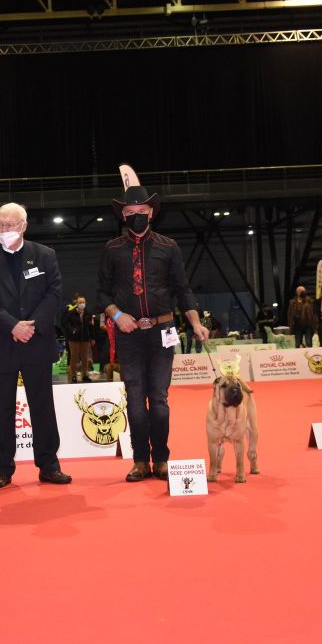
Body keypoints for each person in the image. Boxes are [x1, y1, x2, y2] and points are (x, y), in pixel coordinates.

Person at [97, 165, 209, 482]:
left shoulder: (168, 247)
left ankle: (161, 459)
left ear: (151, 212)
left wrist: (196, 323)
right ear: (123, 215)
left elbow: (183, 289)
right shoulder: (111, 249)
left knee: (159, 399)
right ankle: (140, 461)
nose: (137, 216)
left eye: (142, 211)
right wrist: (117, 315)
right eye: (131, 212)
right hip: (129, 335)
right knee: (135, 399)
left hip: (164, 331)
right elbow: (101, 293)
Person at [0, 203, 71, 489]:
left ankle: (49, 465)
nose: (4, 229)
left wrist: (31, 326)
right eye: (0, 224)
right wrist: (12, 325)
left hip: (37, 342)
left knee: (42, 407)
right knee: (1, 409)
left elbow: (54, 294)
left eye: (10, 225)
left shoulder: (45, 255)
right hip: (1, 343)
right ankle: (2, 468)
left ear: (24, 226)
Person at [62, 294, 94, 382]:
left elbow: (91, 326)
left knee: (85, 357)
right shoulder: (71, 312)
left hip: (85, 339)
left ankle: (85, 375)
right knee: (74, 358)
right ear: (76, 303)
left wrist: (92, 338)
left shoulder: (88, 313)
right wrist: (72, 330)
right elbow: (64, 323)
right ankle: (73, 375)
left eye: (83, 302)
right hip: (73, 339)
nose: (82, 304)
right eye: (80, 302)